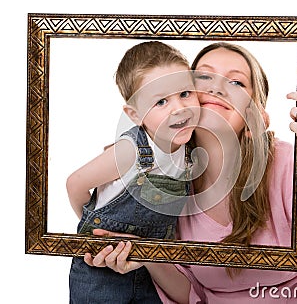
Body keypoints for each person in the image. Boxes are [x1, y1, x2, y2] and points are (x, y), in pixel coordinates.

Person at [84, 42, 297, 303]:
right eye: (203, 77)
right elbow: (190, 295)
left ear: (258, 119)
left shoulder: (287, 164)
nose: (216, 87)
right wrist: (145, 255)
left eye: (236, 82)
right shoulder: (162, 178)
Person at [66, 41, 200, 303]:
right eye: (161, 101)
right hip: (101, 271)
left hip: (150, 269)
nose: (179, 108)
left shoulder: (188, 148)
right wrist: (91, 227)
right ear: (135, 114)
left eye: (185, 93)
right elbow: (75, 184)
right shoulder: (131, 151)